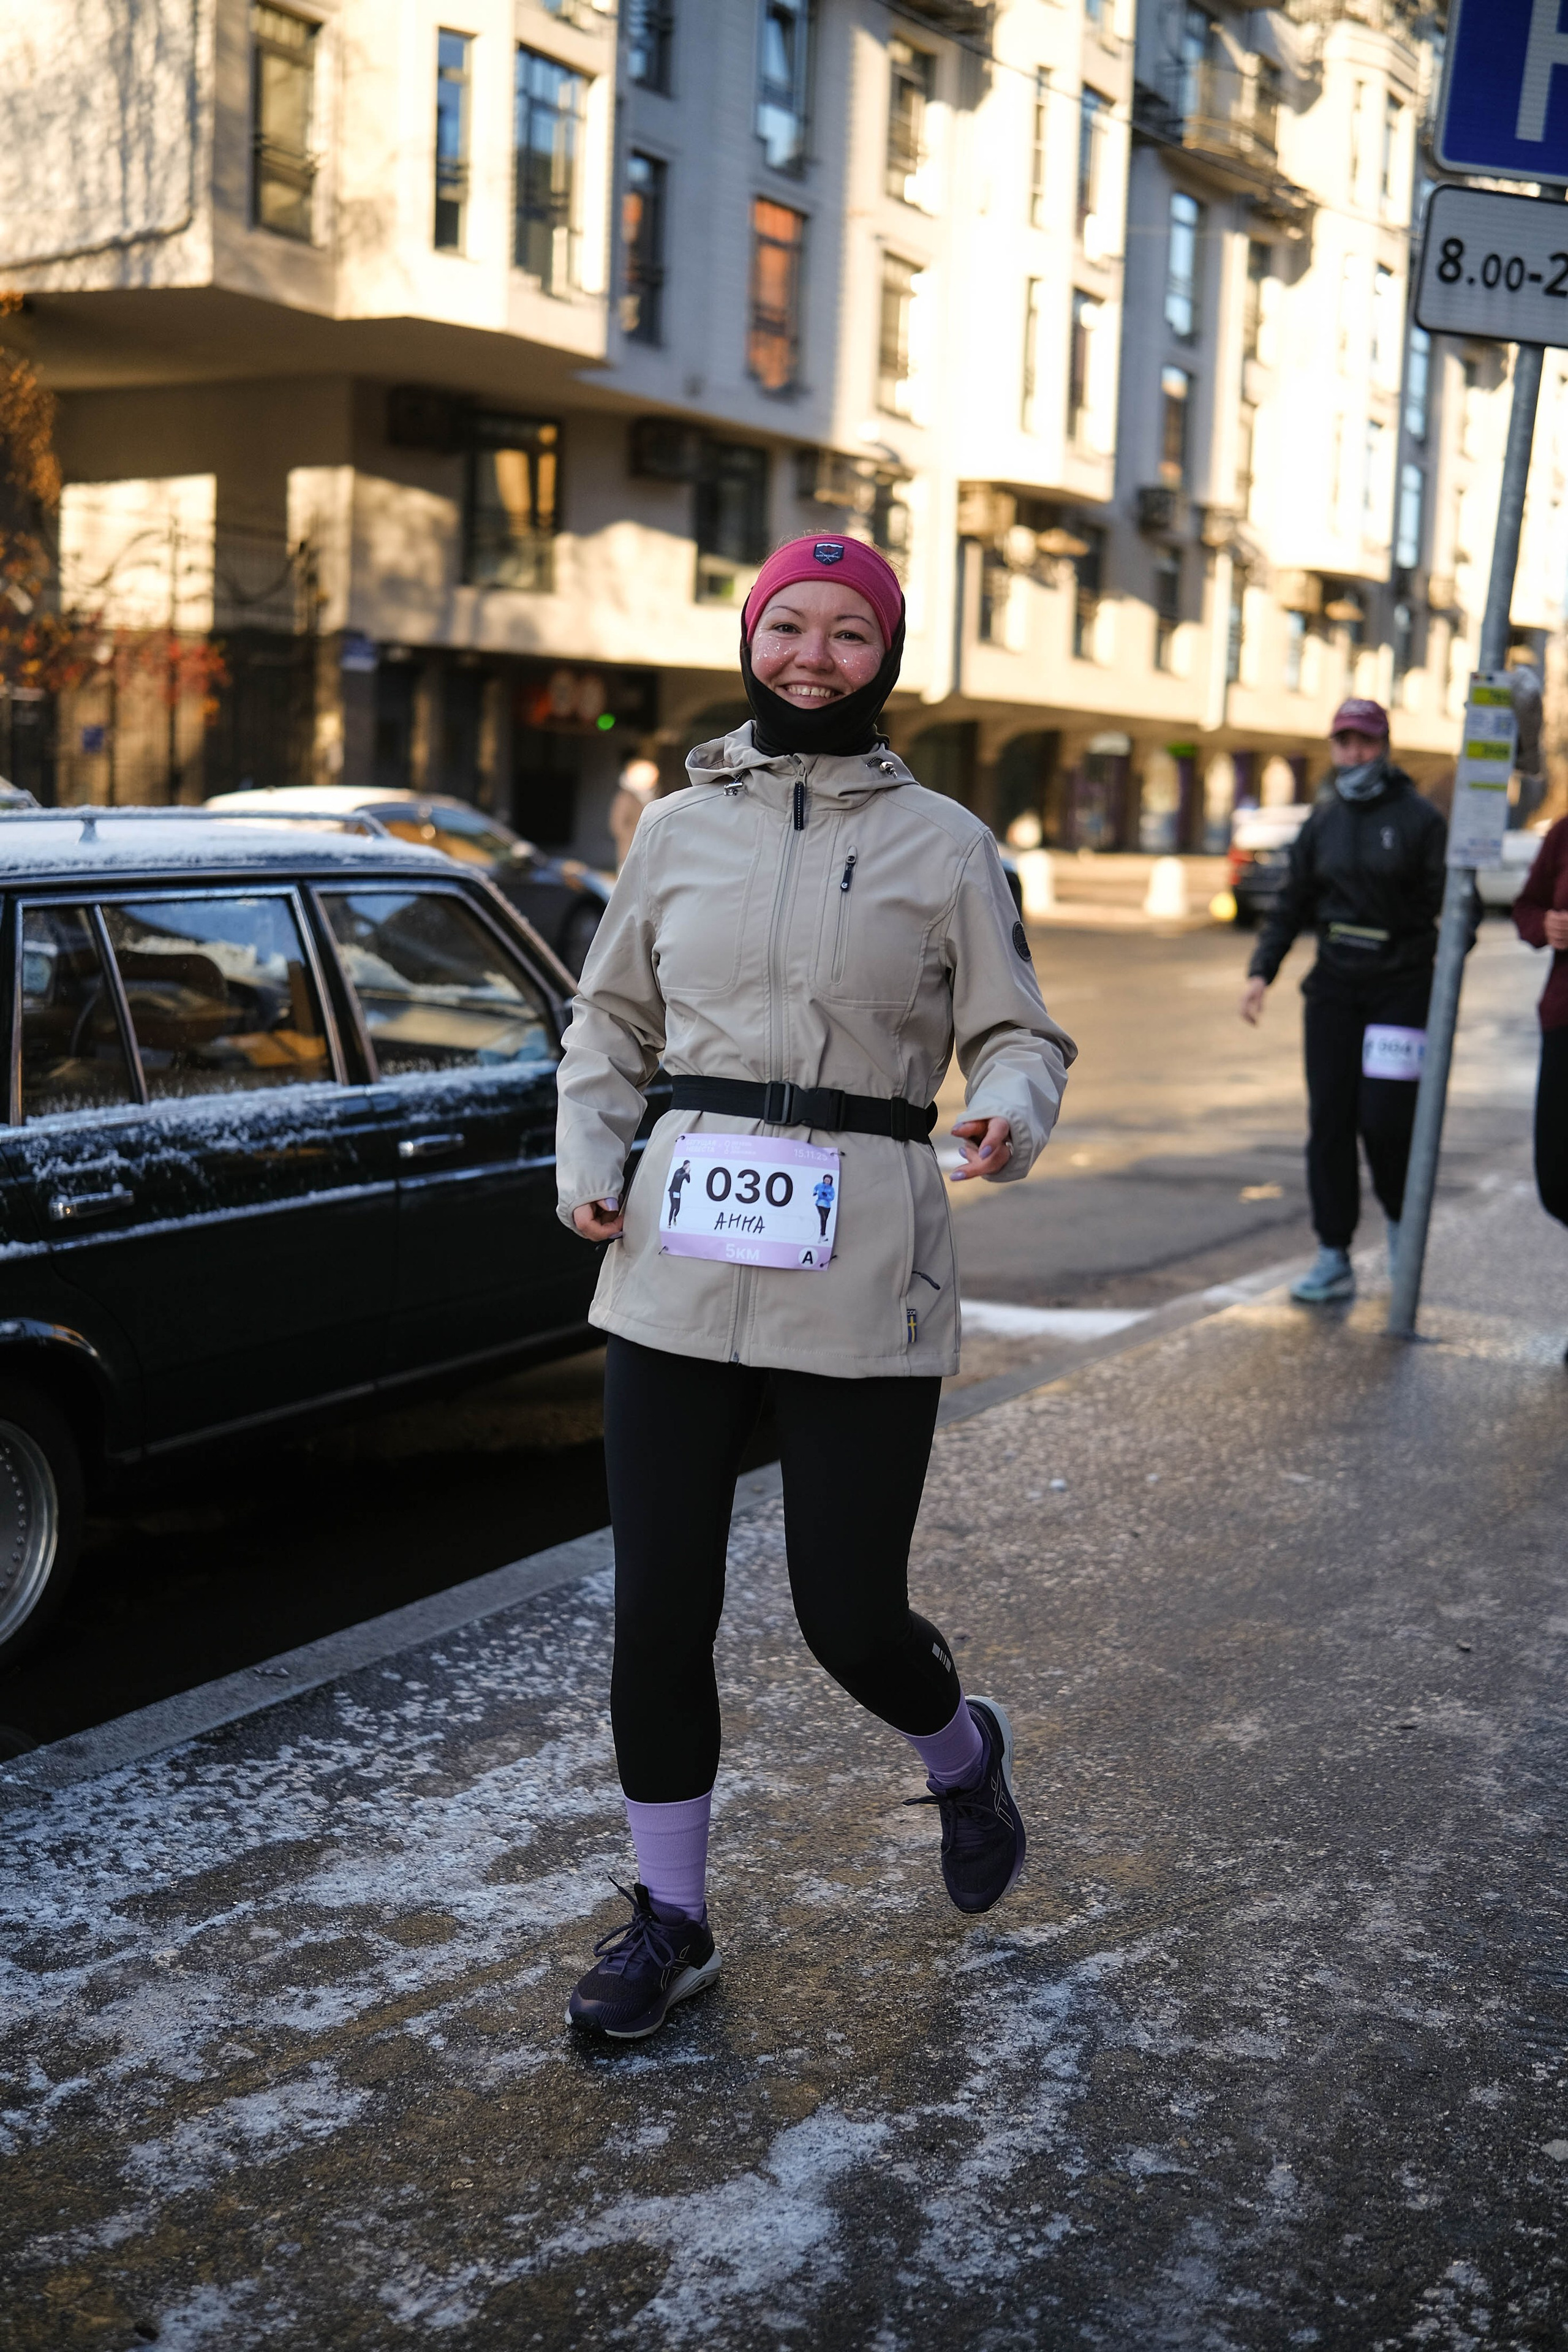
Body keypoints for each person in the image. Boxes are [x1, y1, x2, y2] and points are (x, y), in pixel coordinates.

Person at [554, 533, 1076, 2040]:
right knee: (656, 1610)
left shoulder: (947, 842)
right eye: (789, 625)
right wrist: (590, 1151)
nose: (812, 657)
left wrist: (1010, 1112)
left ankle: (959, 1753)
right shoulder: (676, 826)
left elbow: (1018, 1035)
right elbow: (608, 1021)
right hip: (677, 1258)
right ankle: (670, 1917)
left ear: (886, 657)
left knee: (848, 1616)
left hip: (863, 1257)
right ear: (748, 636)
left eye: (849, 634)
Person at [1239, 698, 1449, 1305]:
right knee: (1329, 1120)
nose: (1353, 753)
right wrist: (1261, 973)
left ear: (1383, 746)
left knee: (1384, 1120)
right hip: (1333, 990)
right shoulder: (1323, 821)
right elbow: (1291, 904)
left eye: (1364, 742)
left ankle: (1400, 1227)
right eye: (1343, 742)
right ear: (1333, 748)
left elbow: (1445, 909)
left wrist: (1437, 974)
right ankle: (1333, 1255)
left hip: (1398, 992)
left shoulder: (1417, 820)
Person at [1512, 812, 1568, 1351]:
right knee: (1555, 1178)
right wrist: (1544, 925)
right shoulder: (1564, 833)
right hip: (1564, 1020)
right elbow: (1526, 906)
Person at [609, 756, 661, 872]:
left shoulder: (649, 795)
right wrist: (637, 839)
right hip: (631, 853)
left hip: (649, 854)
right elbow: (617, 825)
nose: (653, 778)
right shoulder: (626, 797)